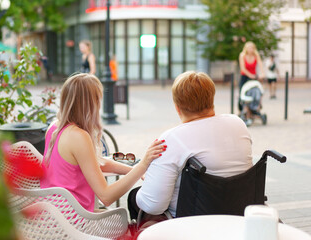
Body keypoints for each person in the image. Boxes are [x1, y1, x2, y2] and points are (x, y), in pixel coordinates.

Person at [127, 71, 253, 221]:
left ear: (177, 107)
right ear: (212, 98)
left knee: (134, 197)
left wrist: (150, 180)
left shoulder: (172, 139)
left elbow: (154, 205)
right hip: (238, 213)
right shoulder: (238, 124)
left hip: (191, 221)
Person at [40, 73, 166, 211]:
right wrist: (143, 165)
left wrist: (135, 170)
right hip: (76, 219)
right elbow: (106, 196)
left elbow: (97, 163)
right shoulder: (78, 136)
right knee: (124, 217)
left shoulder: (54, 127)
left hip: (53, 215)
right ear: (90, 104)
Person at [238, 41, 265, 111]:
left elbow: (260, 64)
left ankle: (256, 107)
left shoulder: (256, 55)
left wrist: (262, 73)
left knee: (257, 90)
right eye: (249, 48)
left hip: (254, 76)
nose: (250, 50)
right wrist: (250, 75)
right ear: (246, 49)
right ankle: (242, 108)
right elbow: (242, 68)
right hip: (245, 76)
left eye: (252, 48)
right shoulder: (242, 55)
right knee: (242, 91)